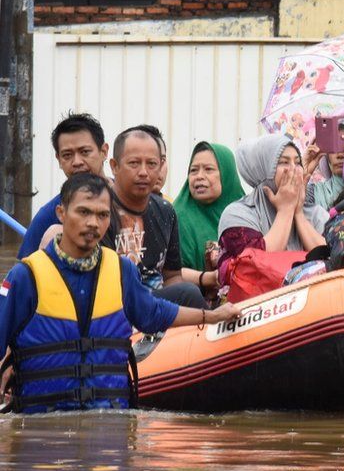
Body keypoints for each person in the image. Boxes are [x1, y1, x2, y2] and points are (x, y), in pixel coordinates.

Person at [0, 174, 240, 414]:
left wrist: (213, 316)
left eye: (102, 215)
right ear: (61, 214)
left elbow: (154, 313)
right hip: (41, 430)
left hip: (110, 425)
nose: (93, 222)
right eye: (83, 212)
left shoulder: (122, 270)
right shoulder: (24, 277)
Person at [102, 127, 208, 309]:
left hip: (156, 307)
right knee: (189, 294)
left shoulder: (165, 210)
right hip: (112, 306)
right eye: (134, 163)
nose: (143, 172)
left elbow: (172, 276)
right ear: (114, 166)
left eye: (151, 164)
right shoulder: (100, 211)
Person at [218, 134, 329, 257]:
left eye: (297, 163)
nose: (293, 169)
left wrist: (298, 213)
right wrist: (285, 210)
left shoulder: (316, 213)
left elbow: (334, 258)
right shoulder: (238, 214)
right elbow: (255, 264)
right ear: (263, 170)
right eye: (284, 162)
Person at [18, 112, 110, 259]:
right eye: (67, 155)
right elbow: (22, 274)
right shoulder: (48, 217)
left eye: (85, 152)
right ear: (59, 160)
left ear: (104, 151)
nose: (77, 162)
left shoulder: (129, 200)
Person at [172, 141, 245, 295]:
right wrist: (209, 278)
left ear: (226, 174)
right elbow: (170, 274)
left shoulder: (246, 214)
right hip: (196, 307)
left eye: (208, 169)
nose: (199, 177)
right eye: (193, 170)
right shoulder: (178, 217)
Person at [128, 124, 171, 201]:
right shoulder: (107, 206)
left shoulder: (172, 208)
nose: (157, 168)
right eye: (135, 162)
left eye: (162, 160)